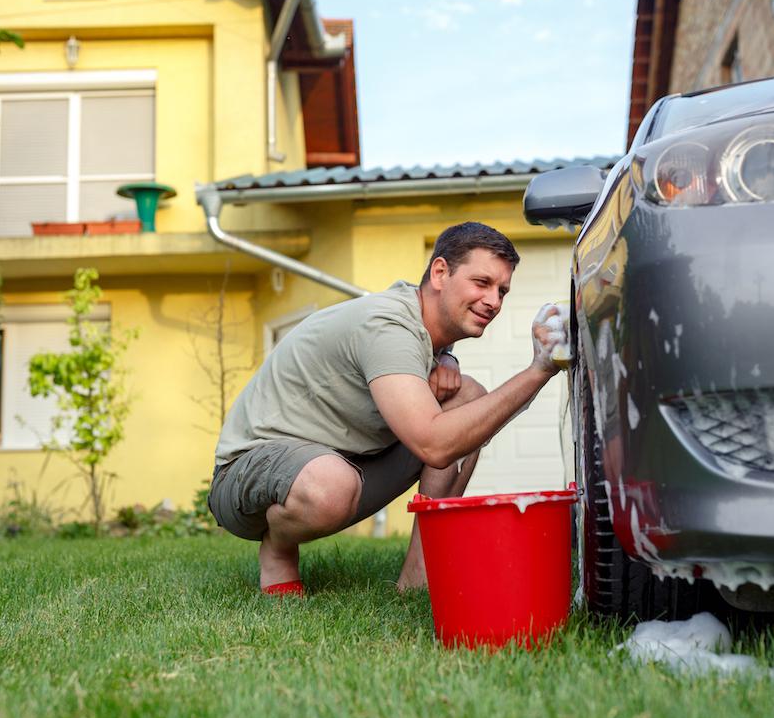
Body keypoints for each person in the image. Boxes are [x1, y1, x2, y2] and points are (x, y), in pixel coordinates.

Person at [207, 221, 569, 596]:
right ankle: (279, 551)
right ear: (440, 272)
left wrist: (446, 359)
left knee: (468, 398)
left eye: (502, 290)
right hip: (248, 473)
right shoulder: (387, 325)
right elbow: (433, 445)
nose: (494, 301)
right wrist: (540, 369)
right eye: (482, 283)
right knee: (333, 485)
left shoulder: (425, 326)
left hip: (339, 459)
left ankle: (418, 578)